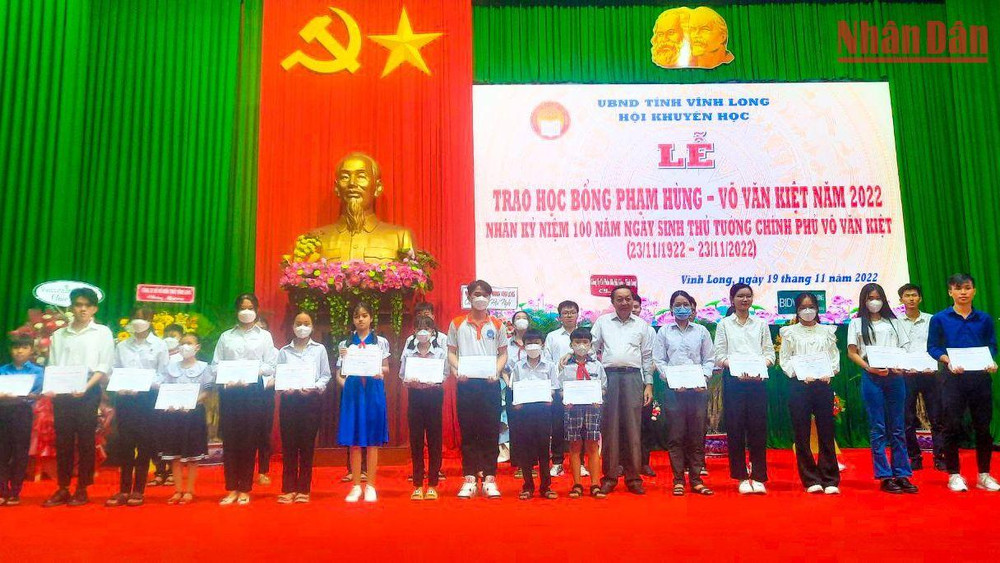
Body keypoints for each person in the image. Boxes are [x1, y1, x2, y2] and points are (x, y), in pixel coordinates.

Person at [927, 273, 999, 492]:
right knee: (951, 426)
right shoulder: (939, 319)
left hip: (980, 379)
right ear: (950, 292)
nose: (963, 292)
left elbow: (992, 346)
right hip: (952, 379)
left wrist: (990, 361)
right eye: (958, 288)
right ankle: (954, 475)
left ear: (974, 291)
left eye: (967, 288)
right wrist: (947, 360)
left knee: (983, 428)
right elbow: (933, 347)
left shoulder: (984, 319)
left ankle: (984, 475)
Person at [43, 287, 115, 508]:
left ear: (94, 309)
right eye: (78, 305)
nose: (82, 309)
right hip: (63, 390)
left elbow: (104, 366)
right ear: (71, 307)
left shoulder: (102, 332)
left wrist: (86, 386)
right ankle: (63, 487)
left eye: (87, 305)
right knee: (63, 440)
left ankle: (82, 488)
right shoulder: (59, 334)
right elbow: (53, 365)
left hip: (88, 389)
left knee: (85, 440)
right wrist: (52, 387)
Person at [847, 283, 918, 494]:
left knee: (898, 427)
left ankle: (902, 474)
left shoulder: (894, 322)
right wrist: (868, 367)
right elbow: (852, 352)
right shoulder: (856, 323)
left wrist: (899, 366)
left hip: (895, 378)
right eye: (870, 298)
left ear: (884, 299)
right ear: (864, 300)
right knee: (877, 427)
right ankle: (885, 476)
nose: (874, 302)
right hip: (872, 377)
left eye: (878, 297)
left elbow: (904, 348)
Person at [213, 293, 277, 506]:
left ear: (256, 310)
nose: (246, 311)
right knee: (231, 440)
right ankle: (231, 488)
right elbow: (215, 365)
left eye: (250, 308)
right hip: (230, 392)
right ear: (236, 311)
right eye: (242, 308)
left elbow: (270, 365)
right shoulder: (226, 337)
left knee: (249, 440)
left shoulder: (264, 337)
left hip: (253, 392)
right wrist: (226, 377)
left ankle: (245, 488)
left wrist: (252, 371)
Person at [448, 280, 508, 499]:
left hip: (490, 384)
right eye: (476, 294)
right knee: (468, 432)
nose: (480, 298)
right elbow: (451, 352)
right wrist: (457, 371)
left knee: (490, 431)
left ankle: (490, 478)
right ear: (469, 297)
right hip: (466, 384)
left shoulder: (498, 325)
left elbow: (503, 354)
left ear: (490, 298)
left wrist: (497, 371)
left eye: (484, 294)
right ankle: (469, 478)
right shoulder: (457, 324)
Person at [592, 285, 654, 495]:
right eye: (620, 299)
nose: (624, 302)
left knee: (633, 428)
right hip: (609, 377)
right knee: (609, 428)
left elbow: (647, 357)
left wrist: (648, 384)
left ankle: (633, 478)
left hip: (633, 377)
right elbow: (591, 349)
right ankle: (610, 477)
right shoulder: (602, 322)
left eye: (628, 299)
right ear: (613, 302)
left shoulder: (642, 325)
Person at [715, 283, 775, 495]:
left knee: (758, 428)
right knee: (736, 428)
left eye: (748, 296)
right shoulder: (724, 325)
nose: (745, 299)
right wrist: (737, 368)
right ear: (732, 300)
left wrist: (760, 368)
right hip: (734, 381)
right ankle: (740, 476)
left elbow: (770, 354)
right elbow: (719, 356)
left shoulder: (761, 324)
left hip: (757, 381)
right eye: (740, 296)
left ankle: (759, 476)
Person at [106, 305, 169, 507]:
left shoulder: (159, 345)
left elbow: (163, 375)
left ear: (150, 321)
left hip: (147, 400)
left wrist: (144, 384)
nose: (138, 321)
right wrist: (119, 386)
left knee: (144, 445)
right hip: (125, 400)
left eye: (143, 318)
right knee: (125, 444)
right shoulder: (122, 346)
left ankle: (138, 490)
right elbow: (113, 371)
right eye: (135, 317)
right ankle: (124, 489)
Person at [779, 292, 841, 494]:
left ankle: (830, 478)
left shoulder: (827, 331)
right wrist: (799, 374)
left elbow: (834, 357)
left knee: (826, 431)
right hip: (799, 386)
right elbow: (785, 360)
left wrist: (830, 372)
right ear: (797, 311)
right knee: (801, 432)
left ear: (817, 308)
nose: (807, 311)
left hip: (823, 385)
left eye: (811, 307)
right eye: (803, 307)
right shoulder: (789, 332)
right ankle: (810, 478)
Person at [654, 290, 715, 496]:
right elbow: (659, 360)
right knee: (676, 436)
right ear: (671, 309)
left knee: (697, 435)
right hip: (674, 391)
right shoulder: (664, 332)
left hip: (697, 390)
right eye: (677, 305)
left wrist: (703, 378)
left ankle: (696, 480)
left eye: (685, 304)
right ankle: (678, 480)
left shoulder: (701, 331)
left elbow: (709, 359)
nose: (682, 308)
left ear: (692, 308)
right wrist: (671, 380)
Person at [337, 301, 391, 503]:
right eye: (357, 316)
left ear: (371, 318)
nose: (360, 319)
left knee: (372, 439)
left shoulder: (380, 342)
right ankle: (355, 486)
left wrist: (379, 371)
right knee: (354, 440)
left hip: (373, 391)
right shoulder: (345, 344)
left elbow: (386, 368)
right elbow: (340, 372)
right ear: (353, 319)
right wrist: (345, 378)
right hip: (353, 392)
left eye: (364, 315)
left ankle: (371, 485)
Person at [276, 311, 331, 504]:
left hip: (310, 402)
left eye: (306, 323)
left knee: (307, 446)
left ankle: (303, 489)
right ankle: (289, 488)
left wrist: (314, 387)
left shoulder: (319, 350)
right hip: (289, 401)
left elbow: (325, 375)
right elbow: (278, 376)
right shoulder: (284, 351)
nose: (302, 327)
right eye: (298, 323)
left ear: (312, 327)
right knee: (289, 446)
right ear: (292, 327)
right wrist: (284, 388)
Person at [157, 333, 212, 505]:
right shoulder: (171, 367)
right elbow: (165, 389)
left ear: (197, 347)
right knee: (175, 455)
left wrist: (192, 402)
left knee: (193, 456)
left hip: (194, 414)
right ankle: (178, 489)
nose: (185, 346)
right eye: (182, 343)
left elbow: (207, 391)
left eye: (189, 343)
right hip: (173, 415)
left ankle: (189, 490)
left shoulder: (204, 367)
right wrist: (169, 403)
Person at [400, 316, 448, 501]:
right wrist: (409, 381)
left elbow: (445, 374)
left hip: (434, 396)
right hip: (415, 397)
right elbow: (402, 375)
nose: (423, 332)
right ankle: (418, 484)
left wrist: (436, 380)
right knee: (416, 441)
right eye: (419, 328)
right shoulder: (409, 352)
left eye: (426, 329)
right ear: (414, 331)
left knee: (435, 440)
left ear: (432, 332)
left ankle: (433, 484)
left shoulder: (439, 352)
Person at [509, 329, 560, 500]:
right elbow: (514, 387)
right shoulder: (518, 366)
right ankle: (528, 486)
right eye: (529, 343)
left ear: (542, 345)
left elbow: (554, 387)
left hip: (543, 410)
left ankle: (546, 486)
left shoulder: (550, 366)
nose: (532, 346)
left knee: (544, 449)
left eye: (536, 343)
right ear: (523, 346)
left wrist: (549, 396)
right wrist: (517, 401)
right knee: (525, 449)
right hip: (524, 412)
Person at [898, 283, 943, 471]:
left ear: (920, 298)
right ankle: (914, 457)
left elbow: (938, 345)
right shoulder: (896, 322)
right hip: (906, 374)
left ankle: (940, 456)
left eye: (914, 295)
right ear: (901, 299)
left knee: (937, 417)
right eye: (907, 295)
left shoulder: (932, 320)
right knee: (907, 418)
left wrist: (934, 364)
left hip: (930, 373)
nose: (911, 299)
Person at [558, 328, 607, 499]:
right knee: (575, 446)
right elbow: (560, 388)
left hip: (592, 409)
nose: (581, 346)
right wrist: (566, 398)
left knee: (593, 446)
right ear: (571, 344)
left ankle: (595, 484)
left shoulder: (597, 365)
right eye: (577, 342)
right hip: (572, 410)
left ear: (590, 345)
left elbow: (603, 387)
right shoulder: (565, 365)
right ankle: (577, 484)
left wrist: (598, 396)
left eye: (585, 342)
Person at [0, 334, 44, 506]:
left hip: (22, 412)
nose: (19, 351)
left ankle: (15, 491)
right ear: (10, 350)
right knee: (2, 451)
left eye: (24, 348)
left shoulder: (37, 371)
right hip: (3, 411)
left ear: (31, 350)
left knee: (20, 451)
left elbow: (37, 393)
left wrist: (30, 395)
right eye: (16, 347)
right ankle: (2, 490)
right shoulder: (3, 370)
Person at [544, 300, 579, 478]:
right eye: (565, 313)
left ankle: (579, 463)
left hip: (579, 387)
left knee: (579, 427)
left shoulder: (585, 335)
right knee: (557, 425)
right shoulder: (552, 336)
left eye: (572, 312)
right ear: (560, 317)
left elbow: (592, 354)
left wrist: (572, 353)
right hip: (559, 386)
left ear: (577, 315)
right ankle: (557, 462)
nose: (569, 315)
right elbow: (547, 360)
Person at [151, 323, 185, 487]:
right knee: (156, 436)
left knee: (174, 436)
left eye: (174, 336)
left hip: (175, 402)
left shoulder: (182, 358)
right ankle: (159, 471)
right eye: (167, 335)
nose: (170, 339)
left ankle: (172, 471)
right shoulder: (157, 353)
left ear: (181, 338)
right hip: (156, 399)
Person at [632, 293, 660, 478]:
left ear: (640, 309)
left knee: (645, 424)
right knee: (624, 425)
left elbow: (654, 357)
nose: (633, 309)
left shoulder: (649, 330)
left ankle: (644, 462)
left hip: (644, 382)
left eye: (636, 306)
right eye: (631, 306)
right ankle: (624, 463)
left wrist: (648, 379)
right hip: (624, 381)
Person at [503, 310, 531, 477]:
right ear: (513, 324)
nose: (521, 321)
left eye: (524, 318)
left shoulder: (534, 342)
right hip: (513, 389)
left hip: (532, 390)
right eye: (518, 318)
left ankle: (532, 463)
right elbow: (503, 367)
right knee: (516, 426)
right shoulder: (506, 344)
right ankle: (520, 463)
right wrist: (509, 384)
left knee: (532, 426)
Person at [254, 315, 277, 486]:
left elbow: (281, 373)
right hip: (245, 395)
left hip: (266, 395)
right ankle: (244, 471)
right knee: (245, 434)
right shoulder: (245, 351)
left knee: (264, 434)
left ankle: (263, 471)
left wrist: (272, 382)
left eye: (262, 328)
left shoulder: (276, 352)